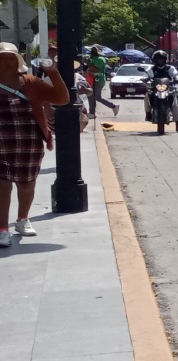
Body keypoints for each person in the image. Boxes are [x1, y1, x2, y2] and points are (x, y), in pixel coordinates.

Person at [0, 43, 70, 247]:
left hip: (28, 142)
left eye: (10, 58)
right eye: (1, 58)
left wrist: (54, 75)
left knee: (26, 183)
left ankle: (22, 219)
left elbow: (62, 99)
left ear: (17, 62)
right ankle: (2, 229)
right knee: (2, 184)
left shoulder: (30, 83)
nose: (5, 62)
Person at [147, 50, 178, 132]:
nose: (160, 60)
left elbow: (176, 74)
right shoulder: (151, 69)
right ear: (155, 60)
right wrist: (145, 79)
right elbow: (146, 75)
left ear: (165, 59)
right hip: (155, 89)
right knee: (147, 96)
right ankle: (148, 113)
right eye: (158, 59)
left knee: (174, 104)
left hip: (168, 89)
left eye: (162, 59)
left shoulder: (170, 68)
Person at [87, 46, 119, 118]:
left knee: (93, 96)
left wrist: (88, 62)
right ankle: (113, 106)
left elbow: (95, 69)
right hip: (92, 79)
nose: (92, 52)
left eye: (94, 51)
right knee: (94, 96)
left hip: (98, 80)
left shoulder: (101, 59)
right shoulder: (93, 58)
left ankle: (92, 112)